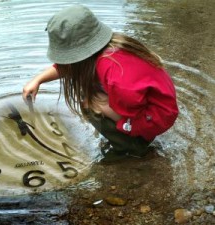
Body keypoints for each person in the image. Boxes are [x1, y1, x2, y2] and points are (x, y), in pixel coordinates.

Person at [22, 4, 179, 162]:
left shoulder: (117, 75)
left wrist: (102, 107)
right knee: (89, 95)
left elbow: (133, 110)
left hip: (155, 116)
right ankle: (129, 136)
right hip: (148, 101)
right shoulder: (107, 48)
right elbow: (69, 67)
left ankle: (133, 149)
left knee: (90, 105)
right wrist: (38, 80)